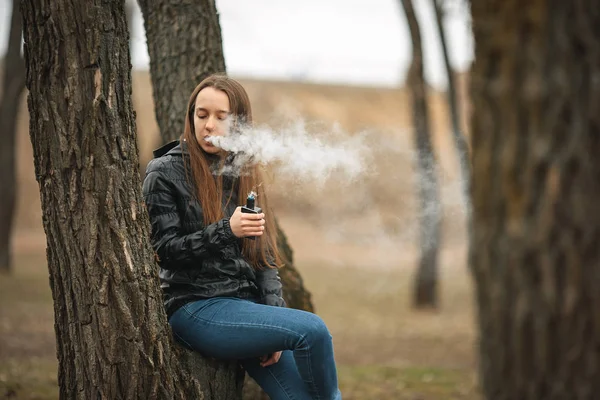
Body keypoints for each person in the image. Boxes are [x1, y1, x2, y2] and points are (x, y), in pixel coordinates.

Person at [142, 74, 342, 400]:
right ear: (191, 116)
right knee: (314, 330)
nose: (209, 125)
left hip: (247, 311)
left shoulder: (242, 169)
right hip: (196, 308)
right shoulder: (163, 171)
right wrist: (226, 230)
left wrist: (273, 314)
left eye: (222, 117)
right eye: (201, 114)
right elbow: (164, 251)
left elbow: (262, 255)